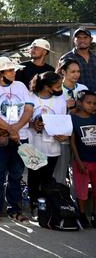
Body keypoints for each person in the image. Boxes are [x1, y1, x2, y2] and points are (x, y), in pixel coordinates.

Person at [0, 56, 33, 224]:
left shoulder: (20, 86)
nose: (14, 72)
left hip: (21, 136)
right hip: (1, 136)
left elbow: (28, 108)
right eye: (10, 70)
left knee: (16, 174)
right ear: (0, 73)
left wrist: (17, 128)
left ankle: (15, 209)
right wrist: (10, 129)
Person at [27, 71, 68, 221]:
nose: (60, 88)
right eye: (57, 85)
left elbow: (63, 121)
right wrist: (33, 124)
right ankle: (34, 206)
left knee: (47, 178)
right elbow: (24, 118)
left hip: (53, 146)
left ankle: (46, 206)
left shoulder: (61, 100)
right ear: (46, 86)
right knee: (34, 177)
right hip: (33, 145)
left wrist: (63, 133)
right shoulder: (30, 97)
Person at [55, 58, 88, 184]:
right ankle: (60, 200)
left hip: (79, 136)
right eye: (73, 71)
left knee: (77, 173)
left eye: (78, 71)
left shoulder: (83, 88)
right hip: (62, 136)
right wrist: (65, 106)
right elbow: (51, 112)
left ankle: (76, 201)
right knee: (60, 171)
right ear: (63, 72)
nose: (76, 74)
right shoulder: (56, 89)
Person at [71, 90, 96, 228]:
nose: (92, 106)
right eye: (89, 103)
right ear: (80, 103)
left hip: (95, 160)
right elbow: (73, 143)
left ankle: (94, 214)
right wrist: (79, 161)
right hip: (82, 161)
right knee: (82, 190)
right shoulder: (74, 118)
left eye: (94, 103)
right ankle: (81, 213)